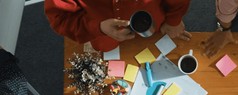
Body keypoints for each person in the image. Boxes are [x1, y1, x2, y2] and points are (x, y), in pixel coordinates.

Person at [44, 0, 192, 52]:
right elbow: (60, 18)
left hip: (154, 22)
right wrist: (98, 28)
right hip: (104, 36)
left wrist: (174, 19)